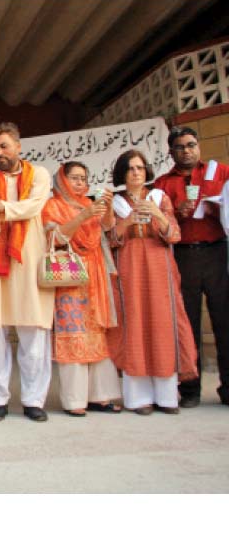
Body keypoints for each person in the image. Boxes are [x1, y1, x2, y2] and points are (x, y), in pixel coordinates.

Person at [106, 150, 198, 414]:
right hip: (130, 270)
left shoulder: (160, 198)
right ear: (123, 173)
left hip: (159, 271)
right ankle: (138, 399)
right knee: (135, 324)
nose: (136, 172)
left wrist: (157, 214)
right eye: (130, 168)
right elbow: (110, 240)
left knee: (162, 325)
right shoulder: (116, 203)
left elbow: (174, 235)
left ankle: (167, 397)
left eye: (140, 168)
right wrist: (129, 220)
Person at [0, 122, 54, 422]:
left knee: (33, 333)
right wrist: (4, 210)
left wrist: (5, 208)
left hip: (29, 260)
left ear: (19, 147)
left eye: (4, 146)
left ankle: (34, 400)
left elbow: (33, 207)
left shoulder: (40, 175)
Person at [154, 126, 229, 407]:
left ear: (198, 146)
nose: (187, 150)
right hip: (183, 256)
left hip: (218, 252)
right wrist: (178, 214)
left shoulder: (219, 172)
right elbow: (158, 222)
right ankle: (190, 390)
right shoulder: (163, 183)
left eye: (191, 144)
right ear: (171, 152)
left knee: (224, 322)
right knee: (188, 324)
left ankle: (227, 389)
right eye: (180, 146)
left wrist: (218, 209)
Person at [41, 162, 122, 417]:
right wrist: (83, 217)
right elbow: (55, 239)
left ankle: (100, 396)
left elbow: (107, 229)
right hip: (70, 275)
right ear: (62, 180)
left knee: (97, 334)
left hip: (95, 275)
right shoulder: (52, 205)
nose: (79, 183)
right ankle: (74, 399)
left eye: (83, 178)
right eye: (74, 178)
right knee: (73, 333)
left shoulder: (89, 203)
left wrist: (106, 207)